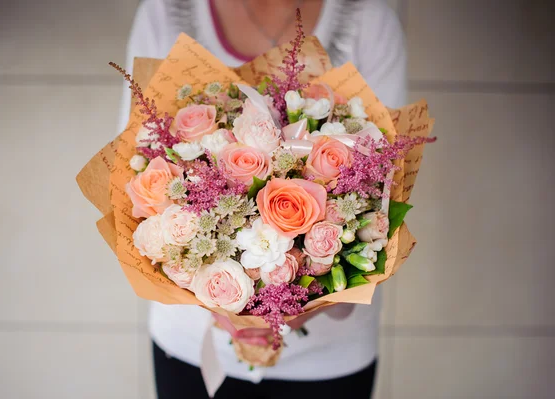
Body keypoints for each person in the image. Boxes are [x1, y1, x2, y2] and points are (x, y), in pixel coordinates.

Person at [118, 1, 406, 398]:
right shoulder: (167, 9)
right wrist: (219, 298)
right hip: (189, 352)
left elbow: (389, 172)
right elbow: (133, 161)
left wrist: (300, 297)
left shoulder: (369, 17)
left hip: (329, 361)